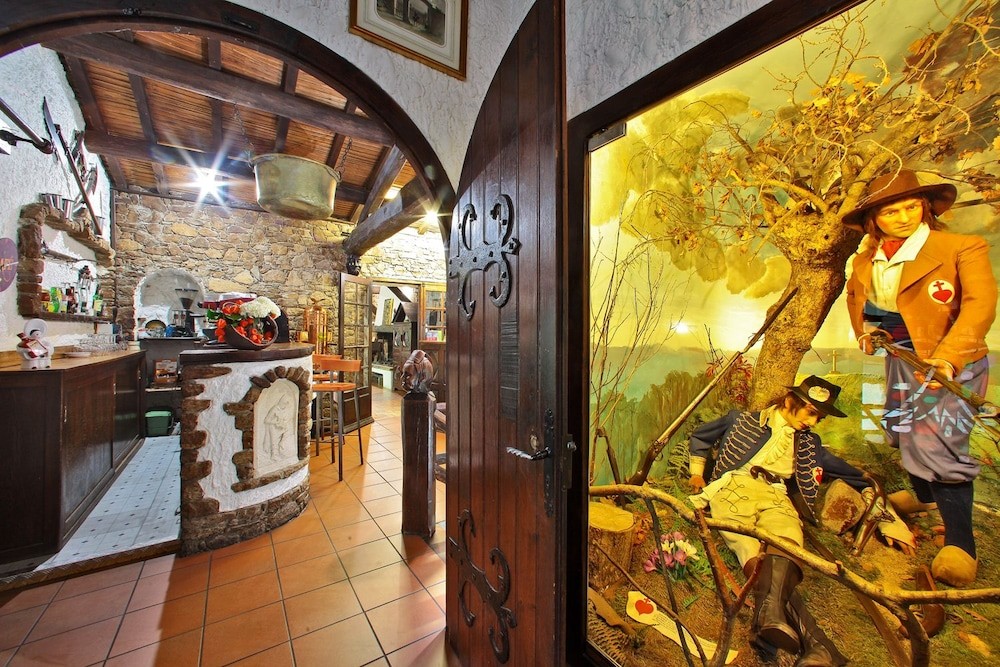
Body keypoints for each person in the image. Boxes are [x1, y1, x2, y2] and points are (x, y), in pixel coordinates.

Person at [842, 168, 996, 587]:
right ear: (875, 219)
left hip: (948, 364)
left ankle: (961, 544)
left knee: (938, 442)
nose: (904, 217)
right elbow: (860, 299)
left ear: (925, 207)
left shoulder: (960, 247)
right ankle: (925, 499)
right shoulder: (866, 260)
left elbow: (980, 305)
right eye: (892, 212)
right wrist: (866, 332)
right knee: (900, 430)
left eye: (911, 207)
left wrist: (948, 357)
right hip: (901, 360)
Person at [688, 376, 868, 666]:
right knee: (749, 550)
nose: (813, 421)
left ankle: (773, 621)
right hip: (734, 488)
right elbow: (701, 437)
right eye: (811, 412)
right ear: (789, 401)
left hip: (776, 496)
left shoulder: (809, 443)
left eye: (819, 418)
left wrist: (870, 486)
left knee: (787, 543)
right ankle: (818, 645)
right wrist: (697, 474)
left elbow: (843, 469)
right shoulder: (743, 421)